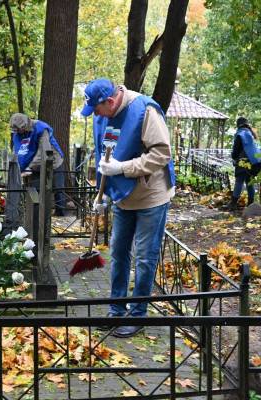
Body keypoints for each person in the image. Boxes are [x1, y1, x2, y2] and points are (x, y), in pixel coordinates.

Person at [81, 78, 175, 338]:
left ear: (110, 102)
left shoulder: (145, 110)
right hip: (122, 196)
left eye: (98, 109)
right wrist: (101, 192)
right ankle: (116, 310)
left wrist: (123, 168)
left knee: (144, 257)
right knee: (119, 252)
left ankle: (138, 315)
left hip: (150, 196)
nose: (96, 115)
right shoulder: (103, 115)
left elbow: (161, 153)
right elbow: (105, 155)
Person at [9, 113, 67, 215]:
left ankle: (60, 214)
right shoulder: (17, 133)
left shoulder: (41, 128)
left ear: (25, 126)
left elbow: (43, 152)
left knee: (58, 189)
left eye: (19, 130)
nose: (17, 132)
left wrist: (29, 168)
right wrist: (19, 168)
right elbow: (17, 151)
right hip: (34, 166)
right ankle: (38, 216)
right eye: (15, 131)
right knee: (36, 190)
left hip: (54, 161)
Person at [227, 117, 261, 210]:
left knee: (239, 181)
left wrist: (234, 158)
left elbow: (235, 151)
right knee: (249, 182)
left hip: (244, 162)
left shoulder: (240, 134)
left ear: (238, 125)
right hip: (255, 162)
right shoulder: (251, 134)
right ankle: (251, 204)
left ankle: (233, 203)